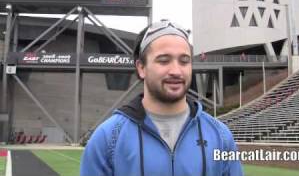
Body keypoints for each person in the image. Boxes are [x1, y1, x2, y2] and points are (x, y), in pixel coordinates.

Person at [80, 20, 243, 176]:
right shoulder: (108, 138)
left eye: (184, 61)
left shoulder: (221, 136)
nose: (176, 71)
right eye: (164, 61)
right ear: (141, 67)